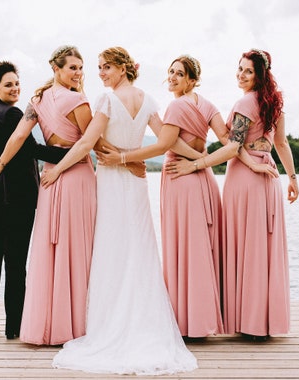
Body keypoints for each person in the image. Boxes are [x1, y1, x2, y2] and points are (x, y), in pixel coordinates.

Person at [43, 47, 197, 375]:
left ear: (124, 67)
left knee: (114, 249)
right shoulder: (149, 100)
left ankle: (110, 325)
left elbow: (85, 143)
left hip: (113, 182)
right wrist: (137, 158)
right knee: (138, 249)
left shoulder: (106, 101)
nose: (101, 73)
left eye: (107, 67)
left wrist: (57, 169)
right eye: (98, 68)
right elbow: (167, 142)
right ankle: (141, 323)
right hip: (134, 183)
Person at [167, 49, 299, 341]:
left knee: (245, 247)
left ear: (260, 75)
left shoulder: (244, 103)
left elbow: (231, 147)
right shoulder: (274, 104)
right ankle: (262, 322)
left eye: (248, 71)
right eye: (239, 69)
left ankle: (249, 322)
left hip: (244, 178)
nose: (241, 75)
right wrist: (291, 178)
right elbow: (281, 144)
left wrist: (197, 164)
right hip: (269, 175)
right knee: (262, 247)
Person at [98, 54, 226, 338]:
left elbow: (165, 144)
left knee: (182, 249)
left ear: (192, 79)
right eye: (170, 72)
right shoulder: (208, 106)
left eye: (178, 74)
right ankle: (204, 320)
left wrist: (122, 157)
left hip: (180, 176)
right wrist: (205, 160)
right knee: (202, 249)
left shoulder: (177, 105)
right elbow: (230, 142)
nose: (171, 77)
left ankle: (186, 322)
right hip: (204, 179)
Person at [0, 45, 96, 346]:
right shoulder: (77, 99)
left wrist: (0, 163)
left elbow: (20, 137)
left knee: (51, 248)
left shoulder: (37, 101)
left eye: (81, 67)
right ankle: (75, 324)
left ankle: (48, 323)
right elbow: (90, 144)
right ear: (56, 69)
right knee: (75, 249)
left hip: (48, 178)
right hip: (74, 175)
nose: (78, 73)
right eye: (72, 67)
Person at [0, 61, 68, 340]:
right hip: (13, 199)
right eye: (8, 85)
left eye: (16, 83)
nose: (15, 88)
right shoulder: (13, 113)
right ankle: (14, 327)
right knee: (15, 264)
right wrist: (74, 153)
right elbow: (33, 150)